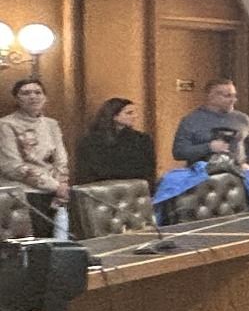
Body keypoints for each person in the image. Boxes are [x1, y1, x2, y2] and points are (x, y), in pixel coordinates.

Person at [0, 78, 68, 232]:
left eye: (38, 92)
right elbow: (12, 166)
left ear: (45, 97)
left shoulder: (51, 123)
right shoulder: (5, 124)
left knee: (57, 241)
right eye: (26, 93)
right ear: (17, 99)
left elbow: (61, 158)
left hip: (54, 192)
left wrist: (61, 184)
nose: (33, 97)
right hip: (23, 194)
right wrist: (55, 186)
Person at [171, 78, 249, 170]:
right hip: (201, 175)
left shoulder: (242, 119)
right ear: (211, 96)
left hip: (237, 173)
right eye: (227, 96)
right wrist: (209, 147)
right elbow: (179, 152)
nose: (233, 100)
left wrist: (248, 163)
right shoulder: (191, 120)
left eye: (234, 96)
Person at [73, 97, 156, 188]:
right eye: (129, 113)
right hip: (100, 192)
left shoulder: (142, 139)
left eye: (135, 112)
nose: (135, 116)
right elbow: (85, 173)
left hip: (134, 190)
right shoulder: (91, 142)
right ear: (114, 116)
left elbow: (148, 171)